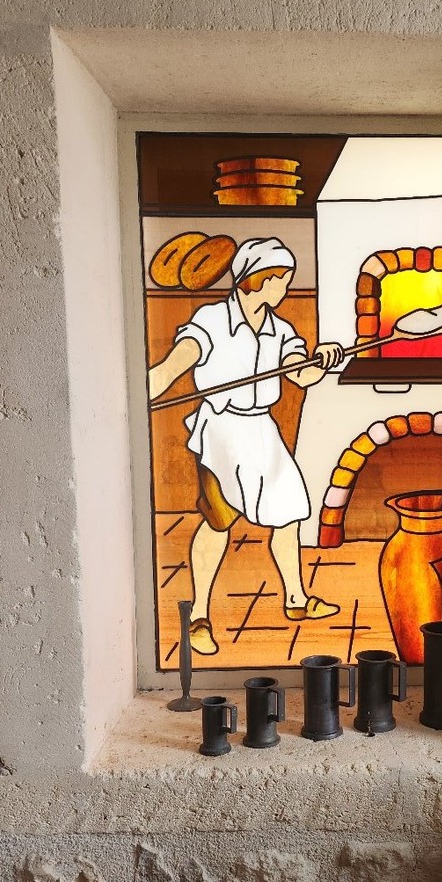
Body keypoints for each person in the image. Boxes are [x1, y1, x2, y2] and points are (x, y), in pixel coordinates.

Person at [148, 237, 344, 656]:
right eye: (281, 279)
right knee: (218, 521)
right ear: (258, 278)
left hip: (261, 430)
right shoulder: (212, 320)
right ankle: (199, 616)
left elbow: (300, 374)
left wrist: (323, 360)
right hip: (220, 431)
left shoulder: (280, 329)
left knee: (289, 511)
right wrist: (141, 391)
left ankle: (296, 599)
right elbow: (175, 364)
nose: (285, 287)